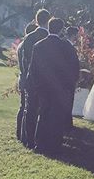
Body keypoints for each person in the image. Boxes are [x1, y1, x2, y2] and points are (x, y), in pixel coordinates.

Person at [26, 18, 80, 155]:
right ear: (61, 29)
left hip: (43, 86)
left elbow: (33, 69)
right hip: (60, 87)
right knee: (57, 115)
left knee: (43, 113)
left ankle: (40, 142)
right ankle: (55, 142)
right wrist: (70, 84)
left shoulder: (39, 46)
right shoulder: (66, 46)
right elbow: (74, 67)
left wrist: (37, 85)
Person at [19, 9, 51, 147]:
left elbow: (25, 60)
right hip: (46, 80)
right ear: (48, 20)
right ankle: (41, 139)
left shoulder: (29, 37)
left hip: (31, 79)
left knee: (30, 109)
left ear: (36, 20)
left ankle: (28, 139)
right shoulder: (50, 38)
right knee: (44, 110)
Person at [16, 20, 38, 141]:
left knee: (23, 106)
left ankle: (20, 132)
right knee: (26, 106)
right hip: (26, 78)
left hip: (22, 78)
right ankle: (23, 133)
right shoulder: (26, 45)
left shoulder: (21, 45)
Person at [62, 25, 80, 130]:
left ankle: (67, 122)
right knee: (67, 101)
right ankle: (66, 124)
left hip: (69, 78)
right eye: (76, 35)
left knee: (69, 101)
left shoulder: (68, 45)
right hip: (67, 79)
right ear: (73, 35)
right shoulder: (66, 46)